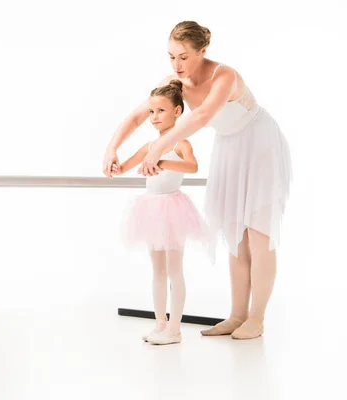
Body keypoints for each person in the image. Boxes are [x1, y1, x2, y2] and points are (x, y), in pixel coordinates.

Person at [103, 21, 292, 340]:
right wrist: (112, 148)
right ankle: (236, 315)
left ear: (202, 52)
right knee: (234, 234)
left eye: (184, 57)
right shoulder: (173, 81)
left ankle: (256, 318)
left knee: (258, 233)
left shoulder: (225, 75)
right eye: (171, 57)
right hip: (229, 145)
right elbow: (139, 115)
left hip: (259, 143)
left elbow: (201, 116)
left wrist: (159, 148)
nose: (177, 65)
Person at [112, 80, 215, 345]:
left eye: (161, 111)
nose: (154, 117)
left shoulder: (180, 142)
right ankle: (160, 324)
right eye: (151, 112)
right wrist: (113, 163)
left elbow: (192, 166)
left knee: (174, 270)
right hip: (151, 209)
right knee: (157, 270)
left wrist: (161, 160)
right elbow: (124, 167)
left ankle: (175, 327)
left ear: (178, 111)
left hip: (172, 210)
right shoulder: (149, 146)